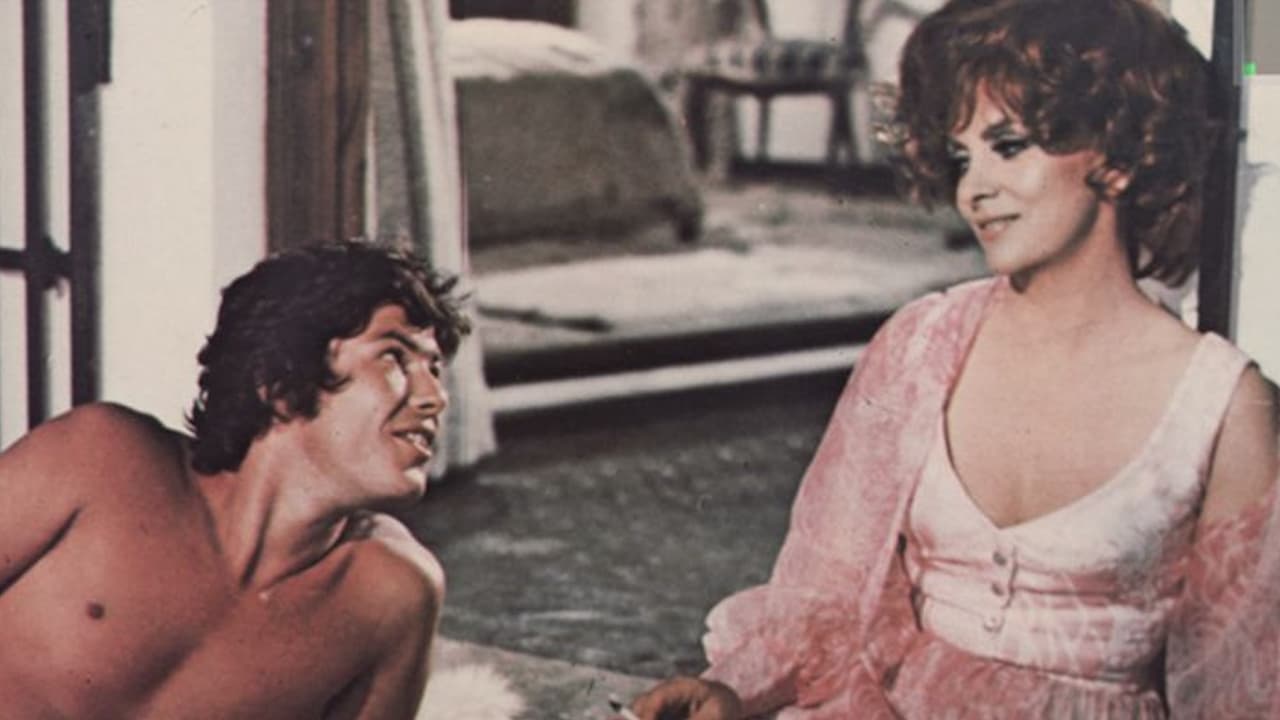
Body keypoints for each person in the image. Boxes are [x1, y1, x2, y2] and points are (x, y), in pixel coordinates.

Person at [626, 0, 1280, 717]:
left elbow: (1239, 688)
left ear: (1118, 158)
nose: (973, 189)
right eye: (962, 157)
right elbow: (825, 596)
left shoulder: (1224, 408)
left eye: (1009, 146)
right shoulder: (921, 343)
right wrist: (733, 688)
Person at [0, 240, 466, 718]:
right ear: (280, 383)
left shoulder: (391, 595)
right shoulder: (100, 458)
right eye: (393, 358)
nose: (435, 396)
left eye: (434, 368)